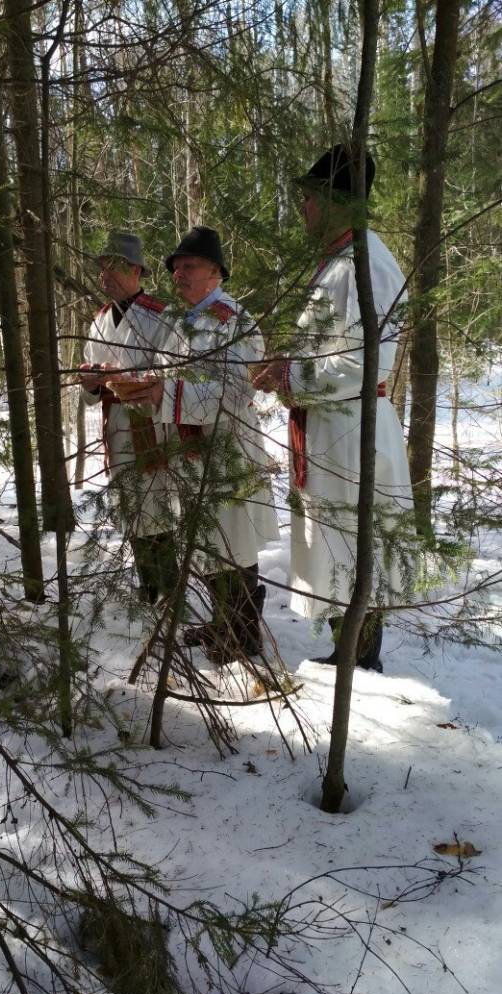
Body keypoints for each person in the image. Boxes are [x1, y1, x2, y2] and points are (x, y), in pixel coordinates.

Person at [252, 144, 414, 672]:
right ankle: (351, 654)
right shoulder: (343, 261)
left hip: (355, 430)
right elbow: (331, 353)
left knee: (350, 539)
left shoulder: (368, 263)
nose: (303, 208)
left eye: (308, 197)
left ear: (333, 198)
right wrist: (289, 368)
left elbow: (368, 364)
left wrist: (290, 375)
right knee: (337, 540)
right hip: (336, 429)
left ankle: (361, 663)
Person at [129, 225, 279, 663]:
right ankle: (223, 621)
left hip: (227, 451)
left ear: (215, 271)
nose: (178, 274)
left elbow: (236, 393)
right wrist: (148, 387)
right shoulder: (179, 321)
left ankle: (243, 634)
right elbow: (166, 374)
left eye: (189, 266)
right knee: (209, 541)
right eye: (175, 268)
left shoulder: (235, 322)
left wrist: (166, 396)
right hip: (190, 450)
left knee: (233, 543)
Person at [78, 231, 177, 604]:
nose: (105, 275)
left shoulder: (159, 316)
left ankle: (169, 584)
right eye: (102, 268)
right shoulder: (99, 320)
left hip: (152, 423)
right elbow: (89, 387)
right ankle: (147, 581)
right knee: (130, 502)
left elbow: (172, 373)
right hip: (116, 421)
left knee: (157, 502)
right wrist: (89, 382)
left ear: (135, 270)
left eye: (113, 267)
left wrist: (127, 379)